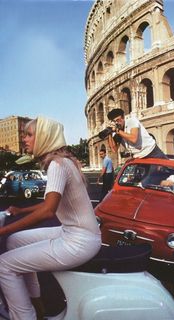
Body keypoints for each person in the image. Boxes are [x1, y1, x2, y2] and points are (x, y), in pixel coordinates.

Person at [0, 116, 101, 320]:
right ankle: (37, 305)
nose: (24, 138)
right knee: (14, 242)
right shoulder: (63, 162)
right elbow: (50, 204)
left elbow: (48, 211)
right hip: (76, 233)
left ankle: (24, 316)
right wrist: (22, 211)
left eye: (29, 134)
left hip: (78, 241)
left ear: (44, 137)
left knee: (3, 265)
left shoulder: (57, 165)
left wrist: (2, 230)